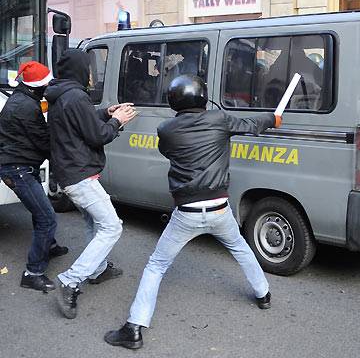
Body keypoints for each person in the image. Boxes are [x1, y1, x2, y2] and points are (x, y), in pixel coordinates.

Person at [104, 75, 281, 349]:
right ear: (202, 96)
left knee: (156, 266)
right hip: (220, 209)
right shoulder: (220, 120)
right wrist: (273, 119)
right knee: (241, 249)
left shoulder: (166, 129)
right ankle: (264, 295)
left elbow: (168, 152)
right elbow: (255, 124)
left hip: (186, 213)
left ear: (173, 100)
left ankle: (134, 328)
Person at [44, 49, 137, 318]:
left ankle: (97, 269)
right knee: (111, 226)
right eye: (88, 69)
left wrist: (104, 112)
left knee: (92, 223)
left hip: (70, 171)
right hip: (80, 175)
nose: (90, 74)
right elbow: (97, 137)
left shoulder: (62, 94)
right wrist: (118, 120)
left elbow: (81, 121)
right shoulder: (75, 96)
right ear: (80, 70)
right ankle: (71, 280)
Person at [0, 61, 68, 292]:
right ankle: (33, 272)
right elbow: (43, 141)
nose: (47, 89)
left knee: (40, 210)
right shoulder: (26, 107)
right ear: (35, 87)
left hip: (20, 166)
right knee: (47, 217)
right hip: (17, 169)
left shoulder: (22, 99)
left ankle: (49, 246)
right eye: (45, 85)